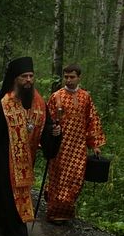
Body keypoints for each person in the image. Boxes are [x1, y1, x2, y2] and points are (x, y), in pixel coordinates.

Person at [0, 57, 61, 236]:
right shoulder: (5, 103)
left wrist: (54, 133)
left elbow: (46, 127)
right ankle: (14, 231)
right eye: (24, 76)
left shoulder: (39, 102)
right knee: (9, 193)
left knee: (11, 193)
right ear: (15, 79)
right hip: (5, 157)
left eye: (31, 76)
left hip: (27, 159)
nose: (29, 80)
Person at [45, 64, 106, 225]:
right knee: (58, 178)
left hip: (78, 146)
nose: (69, 80)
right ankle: (54, 213)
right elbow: (47, 121)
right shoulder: (56, 96)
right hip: (60, 146)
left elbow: (92, 120)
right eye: (66, 77)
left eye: (72, 77)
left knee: (75, 179)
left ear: (79, 77)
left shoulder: (86, 97)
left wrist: (95, 144)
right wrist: (49, 136)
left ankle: (67, 212)